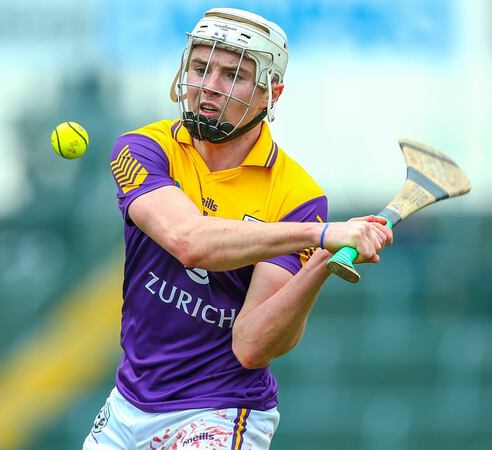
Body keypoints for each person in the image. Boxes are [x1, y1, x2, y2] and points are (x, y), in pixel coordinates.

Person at [84, 8, 392, 449]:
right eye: (200, 66)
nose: (209, 85)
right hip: (128, 403)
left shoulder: (297, 196)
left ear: (272, 93)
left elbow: (250, 345)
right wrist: (317, 236)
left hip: (220, 409)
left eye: (233, 75)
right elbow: (189, 242)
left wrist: (320, 264)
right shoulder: (142, 149)